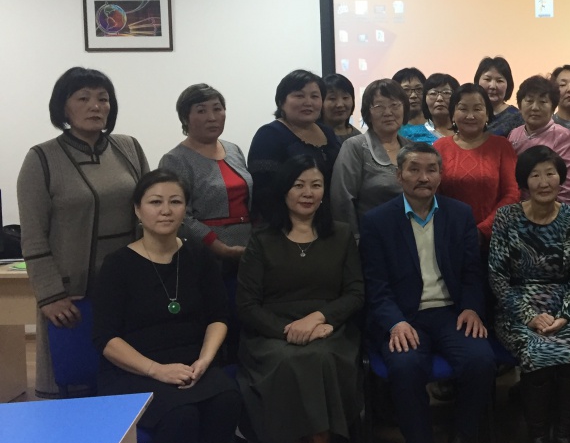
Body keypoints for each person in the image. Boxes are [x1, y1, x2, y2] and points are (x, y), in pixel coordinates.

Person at [93, 170, 241, 443]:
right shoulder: (117, 265)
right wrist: (156, 370)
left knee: (227, 399)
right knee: (181, 415)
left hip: (192, 363)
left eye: (175, 202)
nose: (166, 210)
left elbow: (219, 316)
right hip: (133, 370)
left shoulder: (199, 257)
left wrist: (205, 359)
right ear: (137, 209)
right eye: (155, 202)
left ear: (185, 209)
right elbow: (105, 339)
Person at [360, 143, 497, 443]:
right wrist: (394, 323)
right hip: (405, 317)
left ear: (441, 175)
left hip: (451, 312)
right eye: (414, 169)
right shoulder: (377, 222)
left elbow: (472, 272)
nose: (423, 177)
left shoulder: (459, 214)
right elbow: (375, 285)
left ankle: (463, 438)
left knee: (481, 360)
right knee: (405, 366)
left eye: (431, 170)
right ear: (399, 175)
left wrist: (471, 308)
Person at [236, 156, 363, 443]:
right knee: (287, 360)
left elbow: (355, 293)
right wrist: (288, 330)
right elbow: (246, 305)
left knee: (320, 358)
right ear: (284, 191)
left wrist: (319, 318)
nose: (308, 193)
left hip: (327, 328)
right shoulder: (262, 239)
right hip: (270, 332)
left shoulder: (341, 234)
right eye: (299, 185)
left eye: (316, 185)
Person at [17, 66, 150, 398]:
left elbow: (150, 207)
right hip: (71, 294)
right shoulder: (41, 158)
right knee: (75, 382)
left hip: (128, 285)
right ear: (63, 107)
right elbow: (32, 233)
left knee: (128, 381)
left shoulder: (129, 148)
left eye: (103, 99)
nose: (96, 106)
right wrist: (49, 295)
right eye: (83, 98)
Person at [488, 146, 570, 443]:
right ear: (524, 181)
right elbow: (497, 276)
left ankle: (564, 436)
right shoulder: (507, 217)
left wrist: (566, 314)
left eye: (550, 174)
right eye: (535, 175)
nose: (544, 182)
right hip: (516, 306)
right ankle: (536, 439)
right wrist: (528, 315)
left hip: (564, 307)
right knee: (537, 352)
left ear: (561, 178)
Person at [159, 84, 252, 267]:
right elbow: (180, 216)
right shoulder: (174, 160)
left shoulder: (234, 150)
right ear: (185, 118)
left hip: (247, 250)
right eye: (201, 111)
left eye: (217, 109)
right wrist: (219, 247)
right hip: (203, 254)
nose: (212, 117)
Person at [247, 69, 341, 222]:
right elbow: (263, 192)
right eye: (299, 96)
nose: (308, 102)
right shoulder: (269, 134)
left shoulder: (328, 132)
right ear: (281, 101)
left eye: (315, 96)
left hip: (327, 221)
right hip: (285, 225)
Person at [435, 83, 520, 245]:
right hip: (449, 236)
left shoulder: (501, 146)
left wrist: (482, 231)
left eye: (477, 109)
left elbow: (512, 194)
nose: (470, 116)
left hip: (494, 239)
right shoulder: (440, 147)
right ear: (452, 114)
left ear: (487, 114)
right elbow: (433, 195)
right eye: (463, 109)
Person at [331, 79, 411, 242]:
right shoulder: (355, 147)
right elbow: (342, 200)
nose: (388, 112)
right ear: (368, 113)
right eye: (379, 106)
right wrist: (353, 241)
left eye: (394, 105)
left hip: (412, 237)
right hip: (371, 240)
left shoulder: (412, 148)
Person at [507, 74, 570, 208]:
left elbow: (569, 191)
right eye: (529, 101)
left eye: (542, 102)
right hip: (516, 211)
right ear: (520, 105)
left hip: (553, 213)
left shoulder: (566, 138)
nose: (535, 107)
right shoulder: (514, 134)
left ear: (553, 107)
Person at [476, 56, 524, 136]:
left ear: (508, 85)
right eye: (487, 79)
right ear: (477, 81)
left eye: (499, 81)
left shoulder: (517, 118)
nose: (493, 86)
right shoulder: (470, 113)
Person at [394, 67, 437, 144]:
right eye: (406, 90)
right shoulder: (393, 127)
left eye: (419, 89)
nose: (413, 95)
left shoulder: (438, 121)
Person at [322, 73, 362, 142]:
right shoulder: (314, 136)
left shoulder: (358, 138)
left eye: (345, 97)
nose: (340, 104)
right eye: (332, 98)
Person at [423, 72, 460, 140]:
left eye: (446, 93)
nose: (439, 99)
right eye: (433, 93)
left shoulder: (465, 131)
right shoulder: (413, 134)